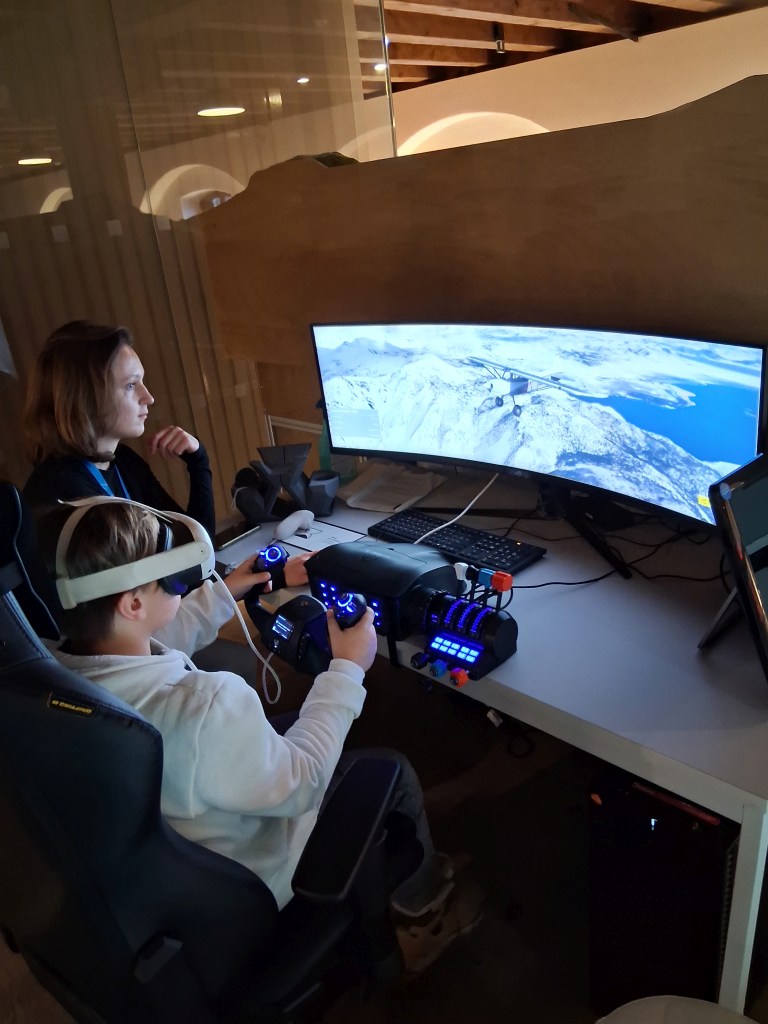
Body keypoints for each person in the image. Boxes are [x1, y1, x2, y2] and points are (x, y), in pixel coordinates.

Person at [43, 498, 483, 975]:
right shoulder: (205, 706)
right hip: (255, 877)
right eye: (172, 579)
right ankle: (425, 916)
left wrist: (228, 589)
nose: (183, 583)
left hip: (174, 864)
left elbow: (152, 641)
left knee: (294, 723)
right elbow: (305, 780)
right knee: (394, 772)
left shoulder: (57, 672)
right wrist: (346, 669)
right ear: (132, 604)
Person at [23, 319, 215, 539]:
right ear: (86, 398)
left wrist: (198, 460)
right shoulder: (61, 494)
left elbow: (196, 544)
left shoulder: (124, 462)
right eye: (131, 385)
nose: (149, 397)